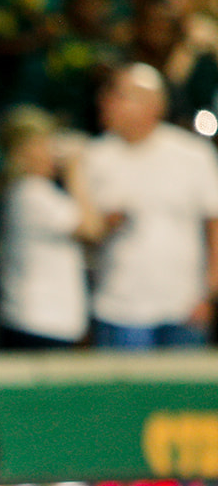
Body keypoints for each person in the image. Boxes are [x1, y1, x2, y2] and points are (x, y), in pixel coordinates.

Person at [80, 63, 218, 349]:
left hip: (184, 306)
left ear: (152, 105)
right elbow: (83, 232)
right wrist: (105, 224)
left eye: (119, 96)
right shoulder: (93, 157)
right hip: (117, 306)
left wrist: (210, 293)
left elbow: (214, 225)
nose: (106, 102)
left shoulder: (193, 155)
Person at [0, 106, 101, 349]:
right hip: (38, 321)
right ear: (22, 151)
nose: (52, 152)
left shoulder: (35, 192)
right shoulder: (31, 192)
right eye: (43, 144)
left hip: (47, 320)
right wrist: (75, 169)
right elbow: (91, 228)